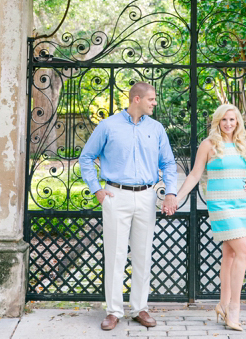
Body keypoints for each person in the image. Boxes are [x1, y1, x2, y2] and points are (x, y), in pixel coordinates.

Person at [79, 82, 178, 331]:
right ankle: (113, 311)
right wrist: (97, 190)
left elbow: (168, 163)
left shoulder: (156, 129)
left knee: (143, 254)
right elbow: (87, 157)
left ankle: (139, 308)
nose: (155, 103)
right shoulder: (108, 126)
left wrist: (171, 193)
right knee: (115, 255)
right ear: (136, 99)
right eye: (151, 99)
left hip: (146, 197)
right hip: (115, 196)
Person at [175, 103, 246, 332]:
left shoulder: (242, 144)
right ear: (217, 121)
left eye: (232, 120)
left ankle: (222, 304)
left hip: (240, 203)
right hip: (220, 203)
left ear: (237, 122)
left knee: (230, 253)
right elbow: (194, 174)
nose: (228, 124)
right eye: (224, 120)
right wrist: (177, 197)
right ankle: (234, 309)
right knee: (244, 250)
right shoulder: (209, 144)